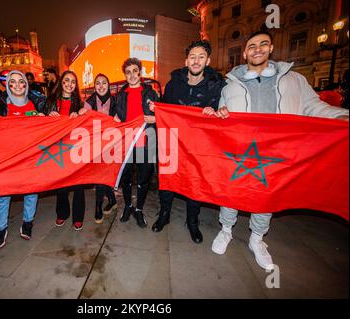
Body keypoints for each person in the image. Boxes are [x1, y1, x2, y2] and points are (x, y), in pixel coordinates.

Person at [208, 31, 349, 270]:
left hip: (276, 153)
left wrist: (343, 116)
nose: (257, 49)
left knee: (267, 196)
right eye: (251, 46)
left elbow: (314, 106)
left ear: (271, 49)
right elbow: (223, 113)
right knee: (231, 191)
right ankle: (226, 229)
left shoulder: (293, 80)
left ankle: (257, 238)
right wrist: (219, 114)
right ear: (245, 53)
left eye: (263, 44)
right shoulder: (230, 84)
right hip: (240, 151)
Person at [149, 40, 226, 243]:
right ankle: (163, 215)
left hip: (198, 147)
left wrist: (215, 110)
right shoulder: (174, 83)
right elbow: (164, 108)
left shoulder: (217, 85)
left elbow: (224, 112)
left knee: (195, 184)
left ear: (208, 60)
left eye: (201, 57)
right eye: (192, 56)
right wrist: (155, 107)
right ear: (186, 60)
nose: (196, 61)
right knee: (166, 183)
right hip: (172, 144)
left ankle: (192, 221)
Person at [0, 70, 47, 250]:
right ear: (7, 85)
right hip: (5, 159)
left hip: (29, 158)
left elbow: (44, 131)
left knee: (31, 192)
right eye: (13, 82)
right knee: (2, 194)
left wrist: (43, 120)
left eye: (22, 82)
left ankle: (28, 222)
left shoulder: (35, 105)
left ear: (26, 85)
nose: (18, 85)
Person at [114, 58, 158, 228]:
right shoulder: (119, 96)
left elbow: (163, 114)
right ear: (125, 75)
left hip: (145, 143)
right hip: (126, 144)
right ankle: (128, 206)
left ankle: (139, 209)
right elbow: (113, 118)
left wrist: (155, 118)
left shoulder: (151, 93)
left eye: (135, 71)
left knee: (143, 179)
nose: (132, 75)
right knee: (125, 178)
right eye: (128, 72)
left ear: (140, 72)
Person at [48, 70, 86, 231]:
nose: (69, 84)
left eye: (73, 81)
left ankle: (78, 217)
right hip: (58, 148)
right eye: (66, 81)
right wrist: (48, 116)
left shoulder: (80, 103)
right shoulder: (51, 101)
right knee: (61, 185)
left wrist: (82, 113)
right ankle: (62, 213)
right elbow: (39, 120)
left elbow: (89, 117)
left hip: (76, 149)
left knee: (78, 184)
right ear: (61, 83)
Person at [78, 73, 118, 224]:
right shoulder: (89, 102)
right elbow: (83, 121)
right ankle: (110, 201)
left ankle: (99, 207)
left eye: (104, 83)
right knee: (100, 176)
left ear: (108, 85)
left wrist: (119, 117)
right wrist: (80, 113)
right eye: (98, 83)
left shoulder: (115, 100)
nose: (101, 86)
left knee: (102, 176)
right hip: (94, 145)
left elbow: (123, 116)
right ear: (94, 87)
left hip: (112, 145)